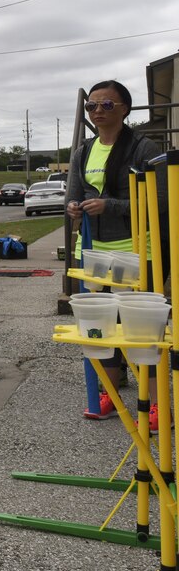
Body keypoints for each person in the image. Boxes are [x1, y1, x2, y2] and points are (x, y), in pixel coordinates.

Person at [66, 80, 163, 425]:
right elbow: (71, 197)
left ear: (125, 108)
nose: (97, 112)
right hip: (93, 252)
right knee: (100, 327)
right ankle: (107, 392)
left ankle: (154, 404)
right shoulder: (84, 151)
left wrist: (111, 206)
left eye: (106, 105)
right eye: (92, 106)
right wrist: (75, 208)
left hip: (136, 250)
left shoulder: (143, 147)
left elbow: (160, 200)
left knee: (140, 328)